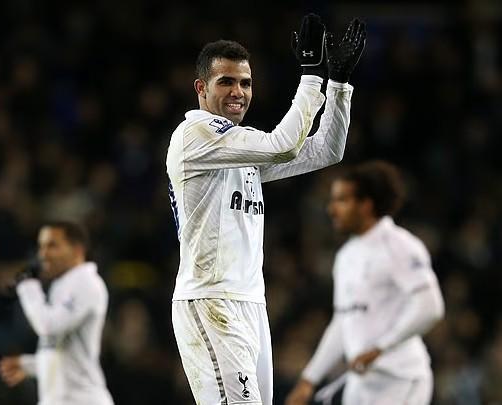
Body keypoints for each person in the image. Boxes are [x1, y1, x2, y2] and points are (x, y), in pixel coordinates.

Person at [166, 13, 366, 405]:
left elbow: (326, 150)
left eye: (245, 83)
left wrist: (339, 85)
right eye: (226, 82)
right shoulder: (195, 134)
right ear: (201, 88)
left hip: (250, 303)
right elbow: (284, 145)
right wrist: (311, 76)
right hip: (211, 300)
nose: (238, 91)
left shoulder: (239, 146)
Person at [285, 161, 445, 405]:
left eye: (341, 200)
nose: (331, 209)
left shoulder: (399, 246)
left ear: (366, 205)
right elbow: (343, 320)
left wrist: (380, 347)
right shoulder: (346, 256)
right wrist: (309, 379)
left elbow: (430, 307)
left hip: (401, 380)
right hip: (360, 384)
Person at [0, 221, 114, 405]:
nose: (43, 254)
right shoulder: (63, 285)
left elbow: (48, 326)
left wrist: (28, 287)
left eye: (52, 246)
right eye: (41, 246)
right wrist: (30, 365)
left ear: (77, 250)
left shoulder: (86, 283)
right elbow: (64, 353)